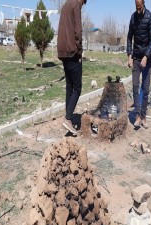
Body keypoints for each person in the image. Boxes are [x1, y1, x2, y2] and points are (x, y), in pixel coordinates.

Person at [57, 0, 87, 135]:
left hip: (63, 51)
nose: (84, 4)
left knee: (69, 86)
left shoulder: (66, 4)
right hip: (72, 51)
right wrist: (80, 51)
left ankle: (67, 116)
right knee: (77, 87)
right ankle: (68, 118)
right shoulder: (76, 4)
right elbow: (78, 31)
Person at [127, 0, 151, 129]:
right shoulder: (133, 17)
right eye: (136, 6)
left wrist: (146, 56)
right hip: (136, 58)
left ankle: (144, 116)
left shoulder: (149, 17)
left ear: (143, 3)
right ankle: (137, 115)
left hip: (146, 59)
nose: (138, 9)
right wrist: (129, 56)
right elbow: (129, 37)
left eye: (139, 6)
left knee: (145, 89)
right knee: (135, 86)